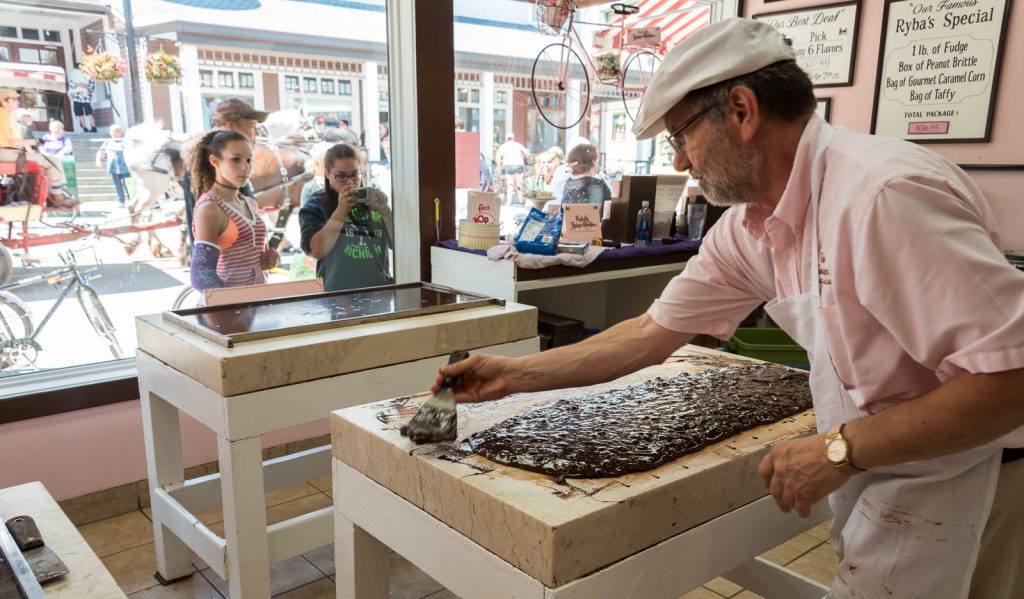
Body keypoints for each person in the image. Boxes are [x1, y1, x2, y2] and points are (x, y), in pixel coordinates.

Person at [431, 18, 1023, 599]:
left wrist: (840, 449)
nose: (681, 162)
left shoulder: (880, 198)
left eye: (681, 136)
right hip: (891, 464)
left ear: (742, 111)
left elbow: (1012, 380)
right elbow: (648, 332)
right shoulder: (752, 225)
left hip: (974, 469)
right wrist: (515, 374)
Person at [188, 128, 277, 291]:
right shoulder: (210, 209)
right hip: (229, 311)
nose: (245, 168)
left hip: (258, 303)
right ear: (214, 161)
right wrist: (230, 305)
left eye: (249, 160)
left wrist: (266, 260)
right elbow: (201, 276)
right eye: (236, 160)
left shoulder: (250, 203)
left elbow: (246, 257)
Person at [299, 142, 393, 292]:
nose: (350, 182)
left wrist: (385, 212)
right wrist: (340, 211)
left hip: (378, 292)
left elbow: (396, 244)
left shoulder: (371, 200)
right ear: (328, 175)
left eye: (355, 174)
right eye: (341, 176)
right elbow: (316, 251)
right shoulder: (316, 205)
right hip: (338, 297)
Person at [182, 98, 268, 245]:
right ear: (230, 126)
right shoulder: (216, 173)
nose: (256, 134)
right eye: (252, 126)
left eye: (248, 160)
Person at [0, 88, 74, 205]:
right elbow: (14, 142)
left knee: (47, 162)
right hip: (7, 153)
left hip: (8, 153)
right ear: (4, 102)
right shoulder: (4, 115)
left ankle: (51, 193)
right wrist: (35, 141)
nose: (18, 102)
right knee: (54, 161)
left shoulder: (6, 114)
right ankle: (57, 196)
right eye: (14, 99)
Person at [96, 125, 131, 205]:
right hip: (113, 167)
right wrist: (98, 160)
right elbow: (100, 151)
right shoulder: (108, 142)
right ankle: (121, 201)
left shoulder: (124, 142)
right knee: (118, 185)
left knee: (128, 184)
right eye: (113, 132)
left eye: (116, 132)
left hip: (124, 167)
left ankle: (132, 199)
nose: (114, 134)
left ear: (120, 133)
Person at [496, 133, 529, 206]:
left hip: (508, 166)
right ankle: (521, 200)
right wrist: (523, 157)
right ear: (513, 138)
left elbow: (498, 157)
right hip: (519, 165)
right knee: (519, 183)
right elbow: (527, 153)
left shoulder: (503, 146)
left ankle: (509, 202)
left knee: (510, 184)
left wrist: (499, 166)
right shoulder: (518, 145)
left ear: (506, 138)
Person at [69, 65, 97, 133]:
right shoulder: (74, 79)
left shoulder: (89, 78)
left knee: (89, 112)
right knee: (80, 114)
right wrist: (79, 87)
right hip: (77, 98)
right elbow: (72, 86)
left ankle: (93, 127)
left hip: (86, 98)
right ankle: (84, 128)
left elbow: (91, 88)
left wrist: (84, 90)